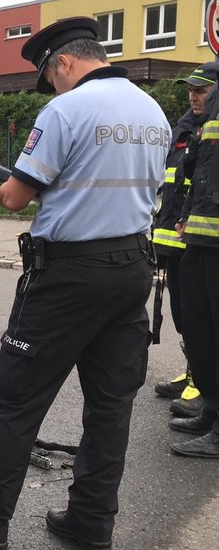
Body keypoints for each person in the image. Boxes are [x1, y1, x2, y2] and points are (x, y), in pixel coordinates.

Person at [0, 18, 168, 550]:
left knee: (17, 403)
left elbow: (16, 197)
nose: (52, 86)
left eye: (49, 75)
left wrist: (8, 185)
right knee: (111, 407)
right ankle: (91, 522)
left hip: (68, 277)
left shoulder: (66, 110)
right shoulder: (151, 109)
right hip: (132, 268)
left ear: (62, 61)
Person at [152, 64, 219, 419]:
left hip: (201, 239)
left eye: (202, 90)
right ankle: (194, 373)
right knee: (186, 317)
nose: (193, 96)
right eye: (190, 90)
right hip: (176, 239)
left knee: (203, 321)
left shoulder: (207, 129)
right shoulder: (183, 128)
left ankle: (204, 384)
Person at [171, 65, 219, 458]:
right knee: (201, 331)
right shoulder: (205, 121)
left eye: (203, 89)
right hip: (201, 241)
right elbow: (199, 174)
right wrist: (186, 214)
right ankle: (211, 410)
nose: (194, 96)